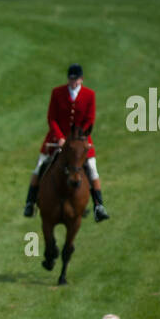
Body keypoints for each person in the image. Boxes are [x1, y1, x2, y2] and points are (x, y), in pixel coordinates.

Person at [22, 63, 108, 221]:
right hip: (57, 140)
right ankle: (30, 203)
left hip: (80, 142)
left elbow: (90, 120)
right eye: (71, 79)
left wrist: (77, 139)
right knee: (39, 168)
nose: (73, 82)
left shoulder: (90, 95)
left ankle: (99, 206)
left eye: (76, 80)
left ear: (81, 79)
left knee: (92, 170)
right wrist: (60, 138)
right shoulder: (57, 92)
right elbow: (52, 118)